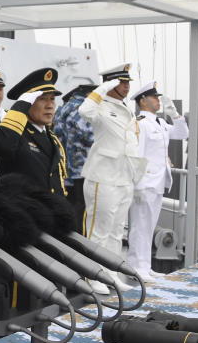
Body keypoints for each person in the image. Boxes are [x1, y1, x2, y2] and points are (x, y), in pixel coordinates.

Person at [78, 63, 147, 291]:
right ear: (111, 83)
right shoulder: (100, 106)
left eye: (128, 82)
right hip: (103, 176)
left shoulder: (125, 108)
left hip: (124, 177)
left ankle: (111, 274)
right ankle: (92, 276)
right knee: (99, 230)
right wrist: (102, 88)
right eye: (122, 82)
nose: (126, 87)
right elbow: (83, 111)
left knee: (117, 231)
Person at [127, 81, 189, 282]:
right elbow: (137, 155)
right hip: (145, 184)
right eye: (154, 97)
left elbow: (183, 134)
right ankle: (136, 267)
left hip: (158, 183)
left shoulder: (160, 123)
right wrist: (137, 186)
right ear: (143, 101)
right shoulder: (141, 124)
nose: (158, 100)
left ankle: (145, 266)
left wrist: (175, 114)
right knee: (140, 227)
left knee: (149, 225)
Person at [0, 67, 67, 197]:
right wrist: (21, 106)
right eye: (42, 99)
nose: (50, 105)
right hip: (24, 212)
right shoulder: (15, 135)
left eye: (52, 99)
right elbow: (2, 146)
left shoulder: (52, 138)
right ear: (28, 102)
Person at [53, 84, 97, 232]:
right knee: (82, 214)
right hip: (81, 171)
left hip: (70, 171)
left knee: (73, 210)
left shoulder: (64, 108)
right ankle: (81, 247)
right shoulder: (79, 108)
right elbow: (90, 135)